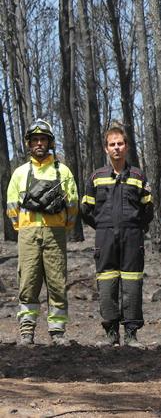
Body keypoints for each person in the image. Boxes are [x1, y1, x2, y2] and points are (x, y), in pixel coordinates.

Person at [6, 119, 79, 345]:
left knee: (57, 282)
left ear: (49, 142)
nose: (39, 143)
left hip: (55, 233)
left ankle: (57, 332)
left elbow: (73, 205)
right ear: (29, 143)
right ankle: (27, 331)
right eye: (35, 139)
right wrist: (24, 227)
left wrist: (62, 226)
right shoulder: (20, 173)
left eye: (43, 139)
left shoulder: (63, 171)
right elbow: (11, 207)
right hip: (28, 235)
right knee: (28, 281)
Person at [81, 123, 153, 347]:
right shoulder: (96, 177)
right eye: (112, 144)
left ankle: (132, 334)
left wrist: (134, 226)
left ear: (127, 146)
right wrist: (103, 226)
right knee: (107, 283)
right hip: (105, 238)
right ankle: (111, 332)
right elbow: (85, 209)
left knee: (132, 284)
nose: (116, 148)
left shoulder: (138, 176)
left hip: (132, 236)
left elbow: (148, 209)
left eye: (120, 144)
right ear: (106, 149)